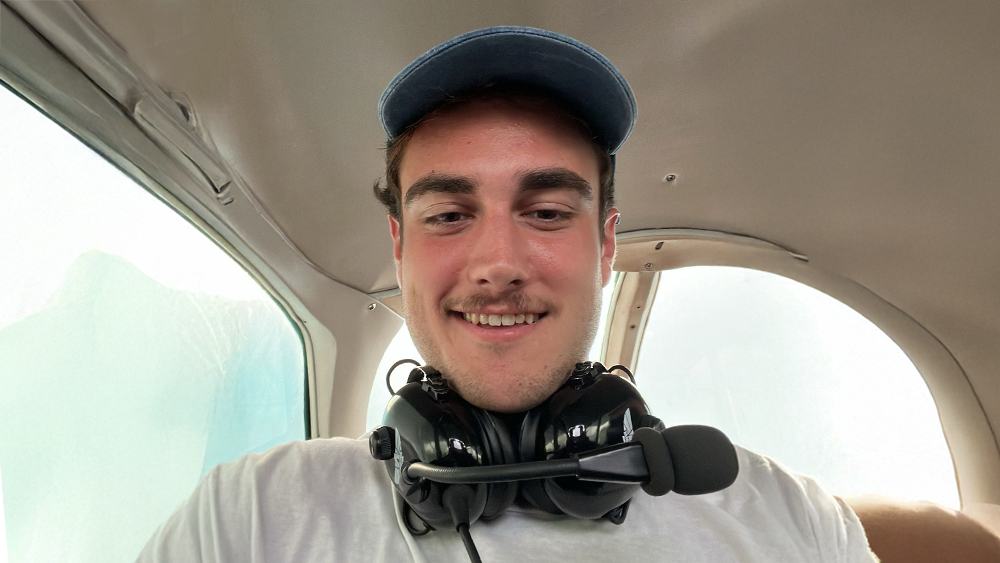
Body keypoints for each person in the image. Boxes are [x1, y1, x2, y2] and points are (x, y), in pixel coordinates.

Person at [137, 26, 878, 562]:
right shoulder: (246, 521)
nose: (497, 262)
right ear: (399, 247)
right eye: (450, 215)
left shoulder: (798, 525)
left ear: (606, 246)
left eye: (548, 212)